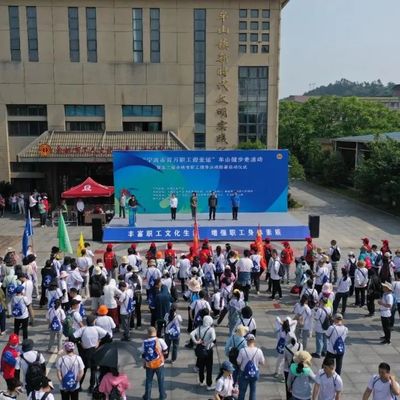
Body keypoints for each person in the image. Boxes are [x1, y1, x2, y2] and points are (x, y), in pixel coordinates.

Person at [73, 315, 109, 393]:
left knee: (83, 369)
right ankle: (91, 387)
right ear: (94, 322)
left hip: (85, 352)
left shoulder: (83, 329)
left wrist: (80, 342)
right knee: (93, 370)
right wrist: (99, 341)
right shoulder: (97, 329)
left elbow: (72, 337)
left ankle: (79, 385)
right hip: (94, 351)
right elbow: (108, 336)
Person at [141, 326, 168, 400]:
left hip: (149, 365)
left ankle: (147, 397)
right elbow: (166, 351)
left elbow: (143, 354)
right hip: (159, 364)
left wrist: (144, 363)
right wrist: (163, 358)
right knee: (161, 381)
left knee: (149, 381)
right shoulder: (160, 340)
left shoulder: (144, 342)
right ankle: (162, 396)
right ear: (155, 333)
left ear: (148, 333)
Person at [190, 315, 217, 391]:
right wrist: (207, 343)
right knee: (209, 368)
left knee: (201, 366)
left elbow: (191, 334)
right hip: (208, 350)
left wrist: (196, 342)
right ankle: (209, 384)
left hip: (200, 350)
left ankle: (201, 381)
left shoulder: (199, 328)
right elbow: (213, 338)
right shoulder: (211, 329)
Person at [237, 334, 265, 400]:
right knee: (253, 391)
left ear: (247, 341)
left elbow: (238, 362)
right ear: (254, 341)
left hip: (244, 373)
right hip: (254, 373)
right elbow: (263, 362)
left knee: (242, 392)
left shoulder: (242, 350)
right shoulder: (259, 351)